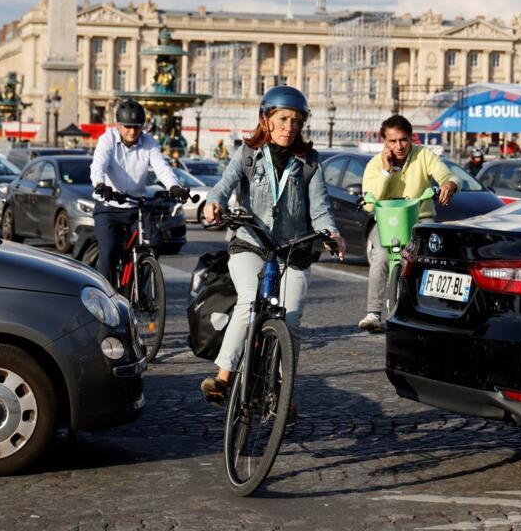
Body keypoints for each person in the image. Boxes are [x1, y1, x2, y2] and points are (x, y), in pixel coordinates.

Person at [200, 86, 345, 405]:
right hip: (250, 244)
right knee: (249, 300)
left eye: (296, 121)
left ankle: (280, 390)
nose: (289, 127)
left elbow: (320, 208)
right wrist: (213, 205)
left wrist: (330, 233)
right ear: (266, 119)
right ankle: (223, 376)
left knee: (290, 319)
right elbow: (222, 189)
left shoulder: (309, 162)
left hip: (294, 251)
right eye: (282, 119)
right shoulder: (247, 154)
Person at [358, 114, 459, 333]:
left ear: (411, 138)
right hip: (387, 221)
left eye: (403, 140)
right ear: (383, 141)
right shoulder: (376, 164)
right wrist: (386, 172)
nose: (399, 146)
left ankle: (430, 310)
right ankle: (373, 313)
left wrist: (449, 184)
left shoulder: (424, 155)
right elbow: (368, 202)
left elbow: (447, 175)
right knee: (380, 258)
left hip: (420, 218)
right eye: (392, 141)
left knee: (429, 260)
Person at [90, 99, 187, 283]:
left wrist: (174, 186)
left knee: (155, 244)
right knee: (109, 251)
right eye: (128, 126)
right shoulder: (107, 139)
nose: (132, 131)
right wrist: (101, 185)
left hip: (136, 208)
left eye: (137, 127)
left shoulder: (149, 142)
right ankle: (104, 295)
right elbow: (98, 166)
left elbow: (162, 168)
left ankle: (138, 288)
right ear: (118, 125)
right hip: (109, 206)